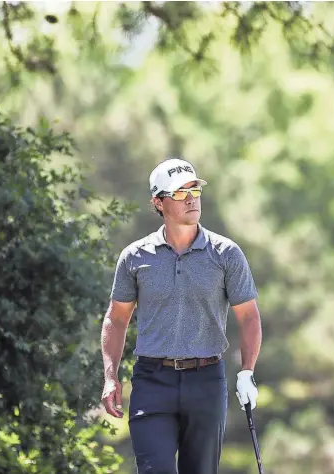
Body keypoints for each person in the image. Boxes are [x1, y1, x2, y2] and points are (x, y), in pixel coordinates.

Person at [101, 158, 262, 474]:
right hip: (152, 381)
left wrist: (246, 371)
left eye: (194, 189)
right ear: (158, 202)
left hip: (206, 380)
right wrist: (110, 375)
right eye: (179, 193)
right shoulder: (135, 257)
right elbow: (116, 319)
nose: (191, 198)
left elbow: (249, 317)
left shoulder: (226, 254)